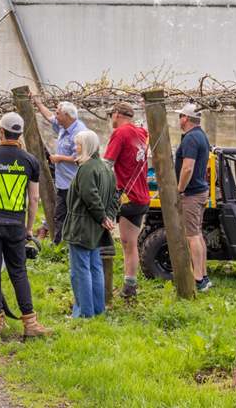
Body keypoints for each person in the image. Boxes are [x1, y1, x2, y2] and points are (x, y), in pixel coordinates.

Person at [0, 112, 50, 337]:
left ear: (1, 132)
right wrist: (28, 228)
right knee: (19, 272)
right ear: (19, 133)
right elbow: (34, 199)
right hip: (16, 224)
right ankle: (31, 324)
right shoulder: (30, 161)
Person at [63, 130, 118, 318]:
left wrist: (103, 217)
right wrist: (108, 217)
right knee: (95, 268)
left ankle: (84, 313)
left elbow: (90, 196)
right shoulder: (106, 168)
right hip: (97, 228)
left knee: (80, 271)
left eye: (78, 144)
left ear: (86, 146)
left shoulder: (86, 169)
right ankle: (97, 310)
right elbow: (114, 197)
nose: (75, 147)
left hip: (82, 226)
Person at [103, 102, 150, 298]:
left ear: (117, 115)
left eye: (111, 115)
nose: (111, 120)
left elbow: (107, 164)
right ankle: (130, 285)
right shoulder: (141, 133)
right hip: (141, 196)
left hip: (125, 197)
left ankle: (102, 285)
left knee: (102, 236)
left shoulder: (120, 133)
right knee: (129, 243)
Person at [32, 96, 88, 244]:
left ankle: (72, 244)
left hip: (74, 183)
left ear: (67, 116)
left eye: (58, 113)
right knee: (60, 215)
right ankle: (59, 245)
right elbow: (49, 117)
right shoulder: (64, 126)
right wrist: (38, 102)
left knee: (73, 215)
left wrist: (60, 158)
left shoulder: (79, 133)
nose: (55, 115)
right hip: (64, 182)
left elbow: (81, 158)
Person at [175, 103, 213, 292]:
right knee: (197, 233)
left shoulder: (190, 139)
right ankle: (203, 275)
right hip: (200, 191)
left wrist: (180, 188)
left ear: (186, 118)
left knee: (192, 236)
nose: (179, 120)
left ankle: (198, 279)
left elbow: (188, 167)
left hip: (191, 193)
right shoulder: (201, 135)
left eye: (180, 116)